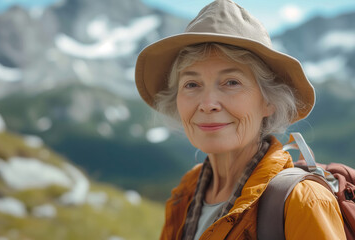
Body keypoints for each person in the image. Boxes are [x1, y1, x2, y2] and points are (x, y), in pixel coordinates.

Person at [135, 0, 347, 239]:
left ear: (269, 101)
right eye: (191, 84)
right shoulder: (186, 192)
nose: (207, 104)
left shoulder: (302, 200)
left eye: (231, 82)